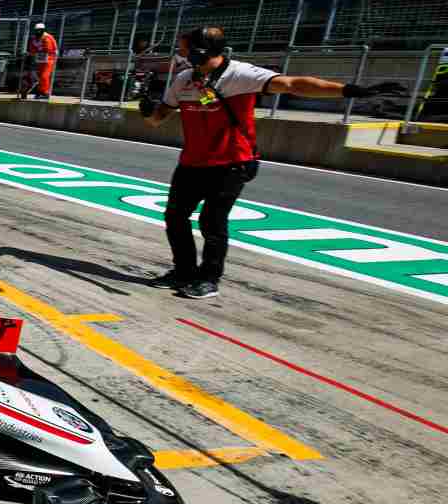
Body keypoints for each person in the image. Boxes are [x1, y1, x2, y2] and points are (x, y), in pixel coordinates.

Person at [141, 26, 407, 299]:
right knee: (175, 217)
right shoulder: (184, 79)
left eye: (184, 50)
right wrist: (148, 110)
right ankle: (183, 271)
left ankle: (209, 278)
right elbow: (158, 117)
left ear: (201, 52)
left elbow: (294, 84)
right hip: (192, 162)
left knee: (212, 222)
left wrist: (351, 91)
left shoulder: (241, 75)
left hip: (232, 162)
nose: (180, 55)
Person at [25, 22, 57, 100]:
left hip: (49, 58)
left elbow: (48, 49)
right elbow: (32, 48)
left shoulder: (47, 37)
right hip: (40, 58)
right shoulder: (34, 38)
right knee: (39, 77)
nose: (38, 32)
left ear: (43, 30)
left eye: (39, 30)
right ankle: (40, 92)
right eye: (36, 30)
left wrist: (36, 52)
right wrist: (30, 53)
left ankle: (45, 93)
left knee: (44, 76)